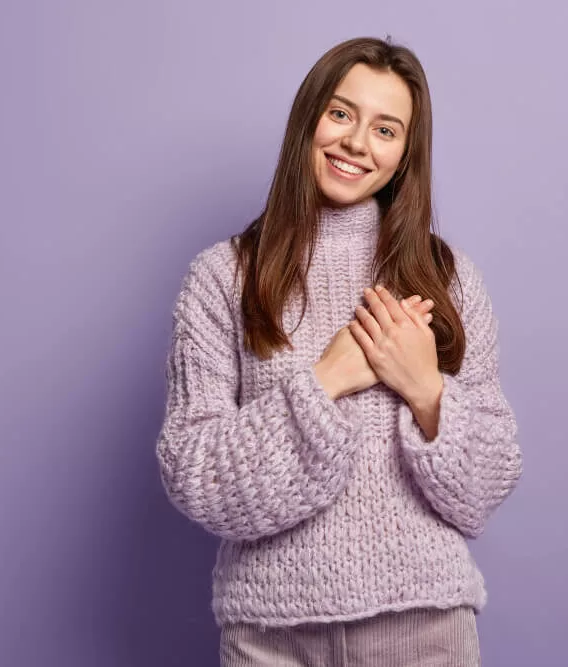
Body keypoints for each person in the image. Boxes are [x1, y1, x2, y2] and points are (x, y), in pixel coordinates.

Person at [156, 36, 522, 666]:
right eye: (342, 113)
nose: (357, 143)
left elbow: (484, 490)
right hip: (271, 636)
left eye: (386, 128)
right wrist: (324, 382)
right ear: (309, 119)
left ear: (406, 153)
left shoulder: (446, 277)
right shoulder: (223, 276)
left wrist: (425, 390)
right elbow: (196, 477)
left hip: (422, 629)